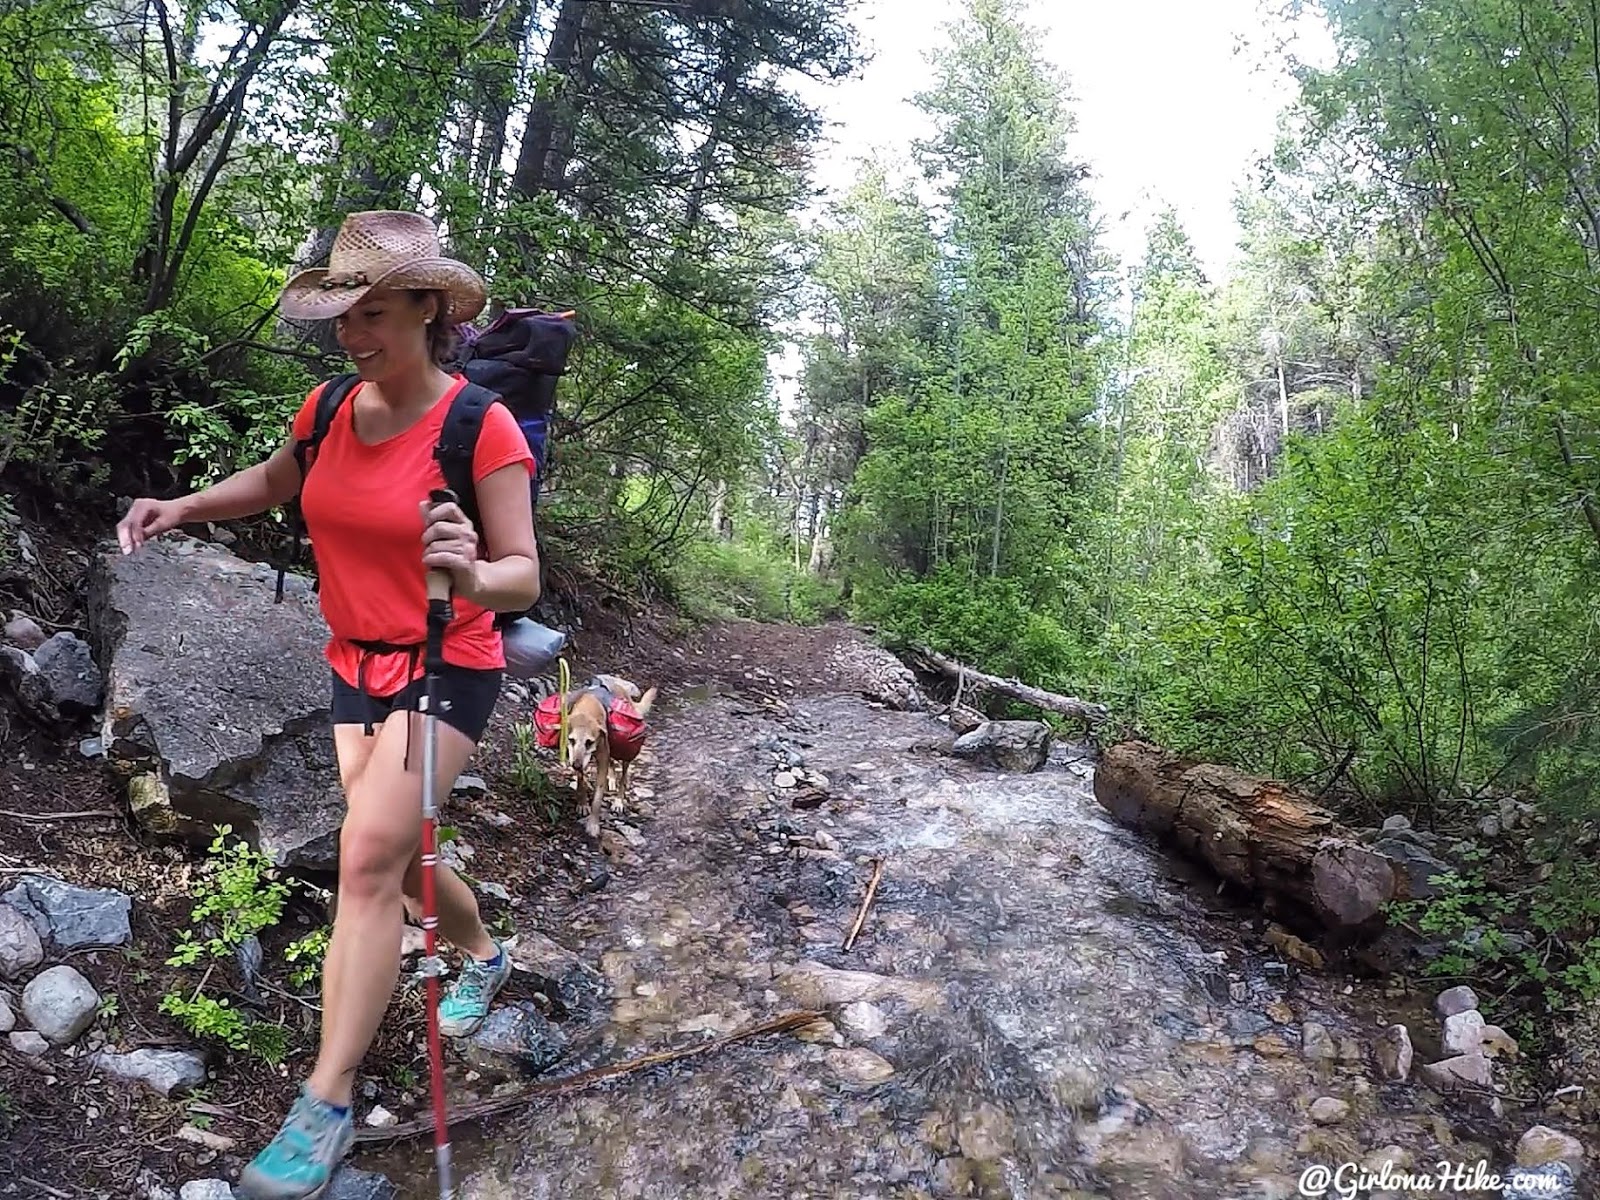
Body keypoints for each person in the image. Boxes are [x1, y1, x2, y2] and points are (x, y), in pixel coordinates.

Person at [116, 210, 540, 1200]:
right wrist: (178, 507)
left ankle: (327, 1103)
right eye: (343, 319)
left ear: (428, 310)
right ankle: (480, 949)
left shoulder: (480, 427)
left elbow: (522, 575)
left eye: (374, 316)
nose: (352, 338)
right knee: (388, 867)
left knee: (361, 860)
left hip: (447, 661)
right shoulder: (326, 412)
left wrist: (471, 574)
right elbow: (274, 483)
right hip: (356, 663)